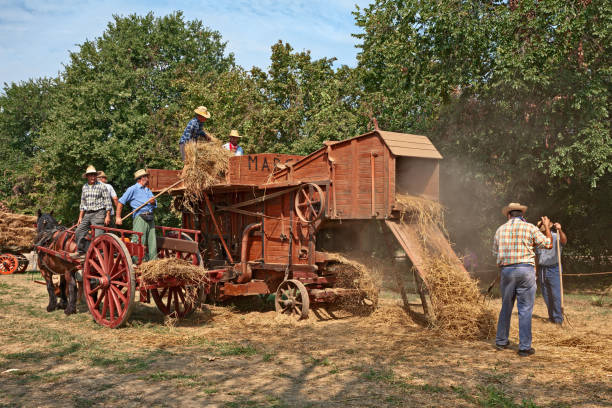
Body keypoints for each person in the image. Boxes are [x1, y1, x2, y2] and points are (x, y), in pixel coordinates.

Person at [493, 202, 552, 357]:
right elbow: (548, 244)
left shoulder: (500, 230)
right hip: (525, 269)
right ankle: (524, 348)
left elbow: (495, 253)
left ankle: (501, 341)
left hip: (507, 270)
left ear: (508, 215)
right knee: (525, 309)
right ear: (522, 215)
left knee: (506, 306)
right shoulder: (530, 227)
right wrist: (546, 227)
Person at [71, 165, 112, 259]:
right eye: (90, 175)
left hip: (99, 213)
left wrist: (108, 216)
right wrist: (80, 217)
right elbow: (82, 203)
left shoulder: (102, 186)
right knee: (78, 231)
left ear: (96, 176)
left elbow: (108, 202)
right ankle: (82, 250)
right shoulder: (84, 187)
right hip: (88, 213)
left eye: (94, 175)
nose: (93, 177)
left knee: (98, 236)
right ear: (87, 177)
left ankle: (99, 255)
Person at [115, 169, 157, 262]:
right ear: (141, 178)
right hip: (140, 217)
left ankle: (154, 263)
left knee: (152, 241)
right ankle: (137, 262)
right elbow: (121, 202)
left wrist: (153, 202)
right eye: (146, 177)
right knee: (139, 240)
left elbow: (155, 204)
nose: (147, 178)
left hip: (150, 216)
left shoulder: (148, 190)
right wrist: (118, 217)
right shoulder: (132, 189)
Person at [535, 219, 568, 325]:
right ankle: (552, 317)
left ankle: (558, 319)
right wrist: (535, 271)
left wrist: (561, 230)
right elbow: (536, 256)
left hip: (554, 268)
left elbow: (564, 241)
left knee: (555, 295)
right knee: (546, 294)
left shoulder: (555, 236)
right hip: (542, 269)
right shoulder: (538, 240)